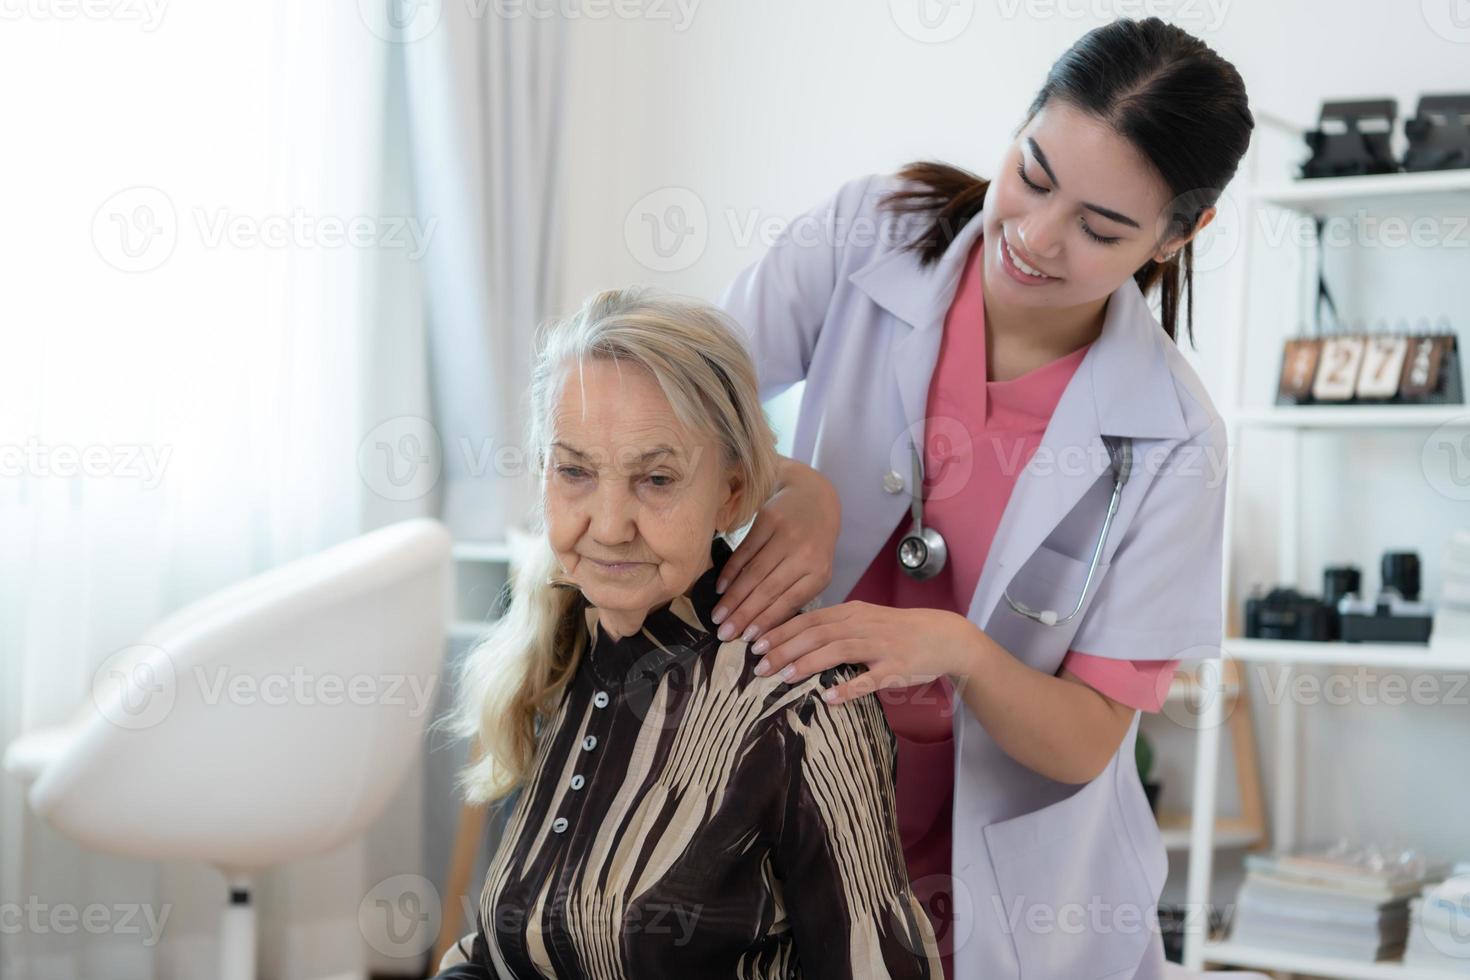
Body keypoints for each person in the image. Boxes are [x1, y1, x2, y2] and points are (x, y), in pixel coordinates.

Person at [708, 17, 1252, 979]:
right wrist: (795, 482)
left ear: (1179, 234)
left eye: (1100, 227)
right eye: (1033, 174)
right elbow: (680, 394)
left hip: (1008, 898)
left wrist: (958, 649)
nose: (1036, 240)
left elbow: (1087, 737)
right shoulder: (868, 233)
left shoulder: (1175, 440)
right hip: (789, 814)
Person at [434, 287, 943, 978]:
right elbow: (513, 953)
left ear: (731, 493)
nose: (609, 525)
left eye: (657, 479)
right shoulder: (559, 656)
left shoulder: (802, 707)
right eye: (576, 472)